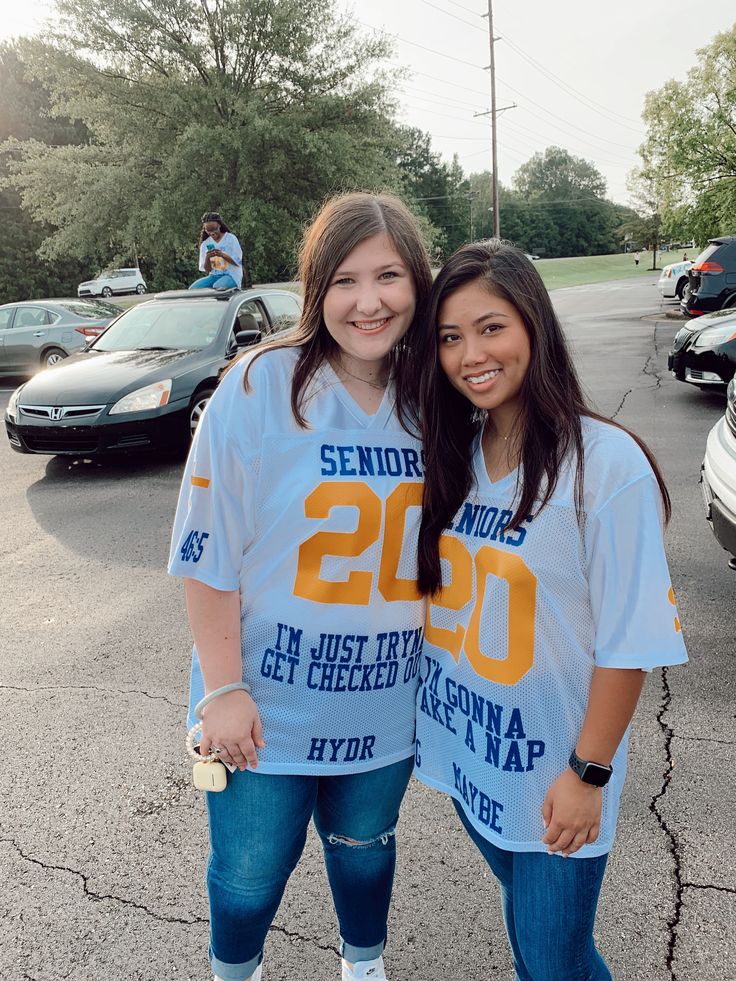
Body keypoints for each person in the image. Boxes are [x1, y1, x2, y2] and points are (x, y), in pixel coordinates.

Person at [169, 191, 433, 981]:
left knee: (365, 851)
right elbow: (207, 551)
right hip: (263, 704)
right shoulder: (257, 384)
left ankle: (364, 966)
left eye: (388, 276)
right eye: (345, 279)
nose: (368, 300)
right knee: (249, 873)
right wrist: (224, 689)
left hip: (384, 698)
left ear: (417, 283)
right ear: (316, 287)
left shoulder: (435, 397)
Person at [408, 239, 688, 980]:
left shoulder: (604, 463)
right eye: (450, 336)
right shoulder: (452, 451)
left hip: (556, 776)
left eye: (491, 326)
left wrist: (586, 773)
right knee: (539, 946)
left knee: (550, 961)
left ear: (533, 323)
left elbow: (630, 642)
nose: (471, 353)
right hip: (475, 756)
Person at [190, 212, 243, 290]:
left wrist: (222, 255)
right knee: (193, 289)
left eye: (214, 229)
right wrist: (208, 257)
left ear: (219, 225)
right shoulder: (205, 244)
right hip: (214, 276)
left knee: (218, 286)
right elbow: (207, 270)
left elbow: (237, 262)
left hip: (231, 275)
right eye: (208, 230)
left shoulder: (231, 238)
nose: (212, 233)